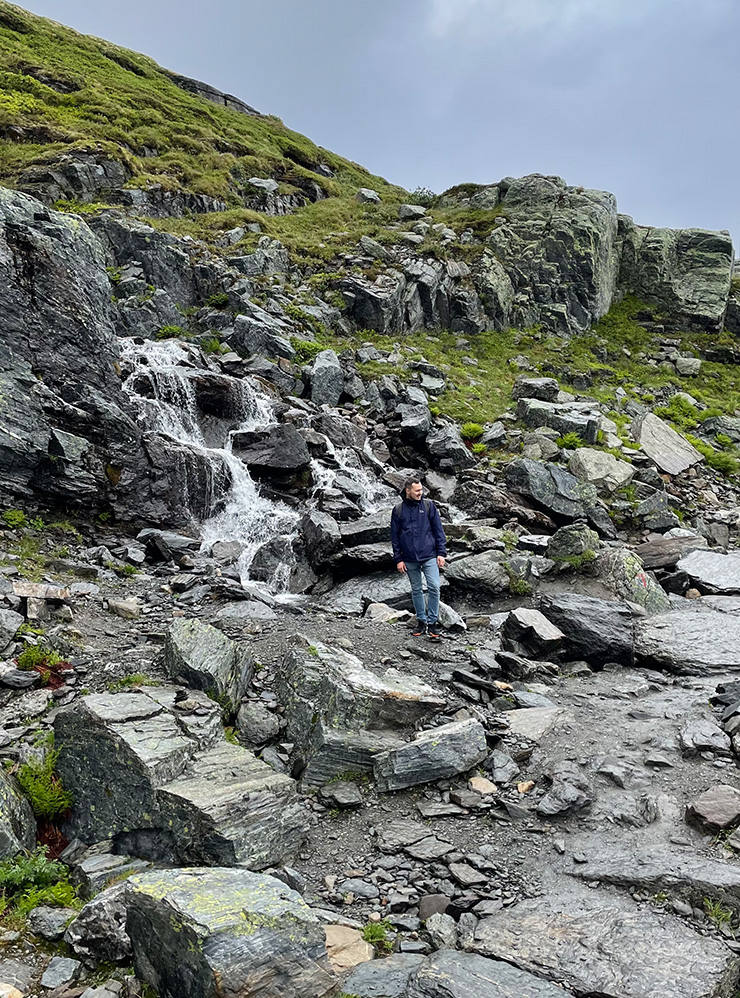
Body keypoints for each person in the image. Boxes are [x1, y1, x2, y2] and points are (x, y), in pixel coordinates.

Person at [390, 476, 447, 639]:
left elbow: (438, 531)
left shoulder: (429, 506)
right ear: (408, 491)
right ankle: (421, 621)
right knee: (416, 589)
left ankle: (433, 623)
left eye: (421, 490)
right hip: (409, 557)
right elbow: (395, 536)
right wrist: (398, 559)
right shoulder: (398, 510)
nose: (420, 493)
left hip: (429, 555)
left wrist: (441, 553)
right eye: (417, 491)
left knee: (434, 587)